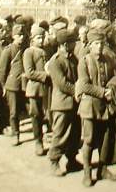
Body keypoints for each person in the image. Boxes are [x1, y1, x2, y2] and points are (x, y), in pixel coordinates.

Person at [76, 28, 116, 187]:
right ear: (90, 45)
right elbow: (84, 85)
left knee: (105, 138)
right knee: (88, 140)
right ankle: (87, 172)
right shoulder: (84, 61)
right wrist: (103, 92)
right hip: (89, 107)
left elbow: (115, 76)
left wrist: (111, 87)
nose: (99, 47)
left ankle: (102, 168)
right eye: (96, 44)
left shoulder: (107, 59)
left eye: (101, 43)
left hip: (105, 106)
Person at [47, 29, 81, 177]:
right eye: (72, 42)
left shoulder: (73, 59)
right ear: (64, 45)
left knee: (74, 134)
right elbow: (62, 84)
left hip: (74, 103)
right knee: (60, 134)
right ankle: (54, 161)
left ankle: (71, 160)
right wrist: (78, 91)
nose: (75, 44)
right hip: (62, 104)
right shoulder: (56, 61)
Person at [0, 24, 26, 145]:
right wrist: (4, 85)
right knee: (13, 111)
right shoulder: (8, 50)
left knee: (22, 110)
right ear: (14, 36)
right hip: (12, 85)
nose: (22, 37)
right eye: (19, 35)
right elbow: (2, 70)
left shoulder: (25, 48)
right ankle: (15, 133)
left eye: (23, 35)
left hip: (24, 84)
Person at [23, 25, 49, 156]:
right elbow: (29, 73)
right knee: (36, 115)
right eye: (38, 38)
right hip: (34, 89)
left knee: (46, 115)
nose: (41, 40)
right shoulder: (29, 52)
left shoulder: (44, 51)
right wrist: (45, 75)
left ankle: (47, 137)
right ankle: (38, 141)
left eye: (42, 37)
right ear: (32, 39)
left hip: (46, 89)